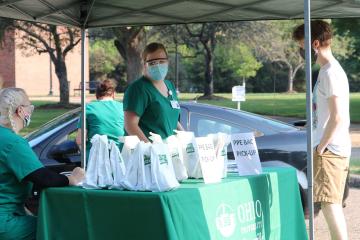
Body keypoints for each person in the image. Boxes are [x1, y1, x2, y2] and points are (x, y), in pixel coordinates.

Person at [0, 87, 85, 240]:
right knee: (62, 228)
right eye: (29, 107)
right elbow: (42, 177)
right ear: (20, 111)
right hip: (5, 222)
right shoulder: (13, 143)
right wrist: (71, 179)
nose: (31, 111)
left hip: (11, 214)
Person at [293, 20, 351, 240]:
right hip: (328, 148)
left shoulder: (330, 73)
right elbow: (325, 114)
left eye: (302, 45)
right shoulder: (326, 72)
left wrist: (321, 148)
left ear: (315, 43)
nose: (301, 51)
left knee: (330, 205)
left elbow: (337, 117)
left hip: (330, 151)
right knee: (330, 204)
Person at [123, 42, 183, 142]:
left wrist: (187, 138)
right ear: (145, 65)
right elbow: (130, 125)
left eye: (161, 61)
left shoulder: (170, 86)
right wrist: (150, 149)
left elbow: (172, 119)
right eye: (152, 63)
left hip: (168, 151)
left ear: (167, 62)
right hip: (145, 153)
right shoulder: (138, 89)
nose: (158, 65)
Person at [76, 79, 125, 157]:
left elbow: (80, 140)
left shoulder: (88, 108)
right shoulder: (123, 108)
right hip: (120, 158)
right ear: (113, 94)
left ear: (97, 95)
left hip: (96, 159)